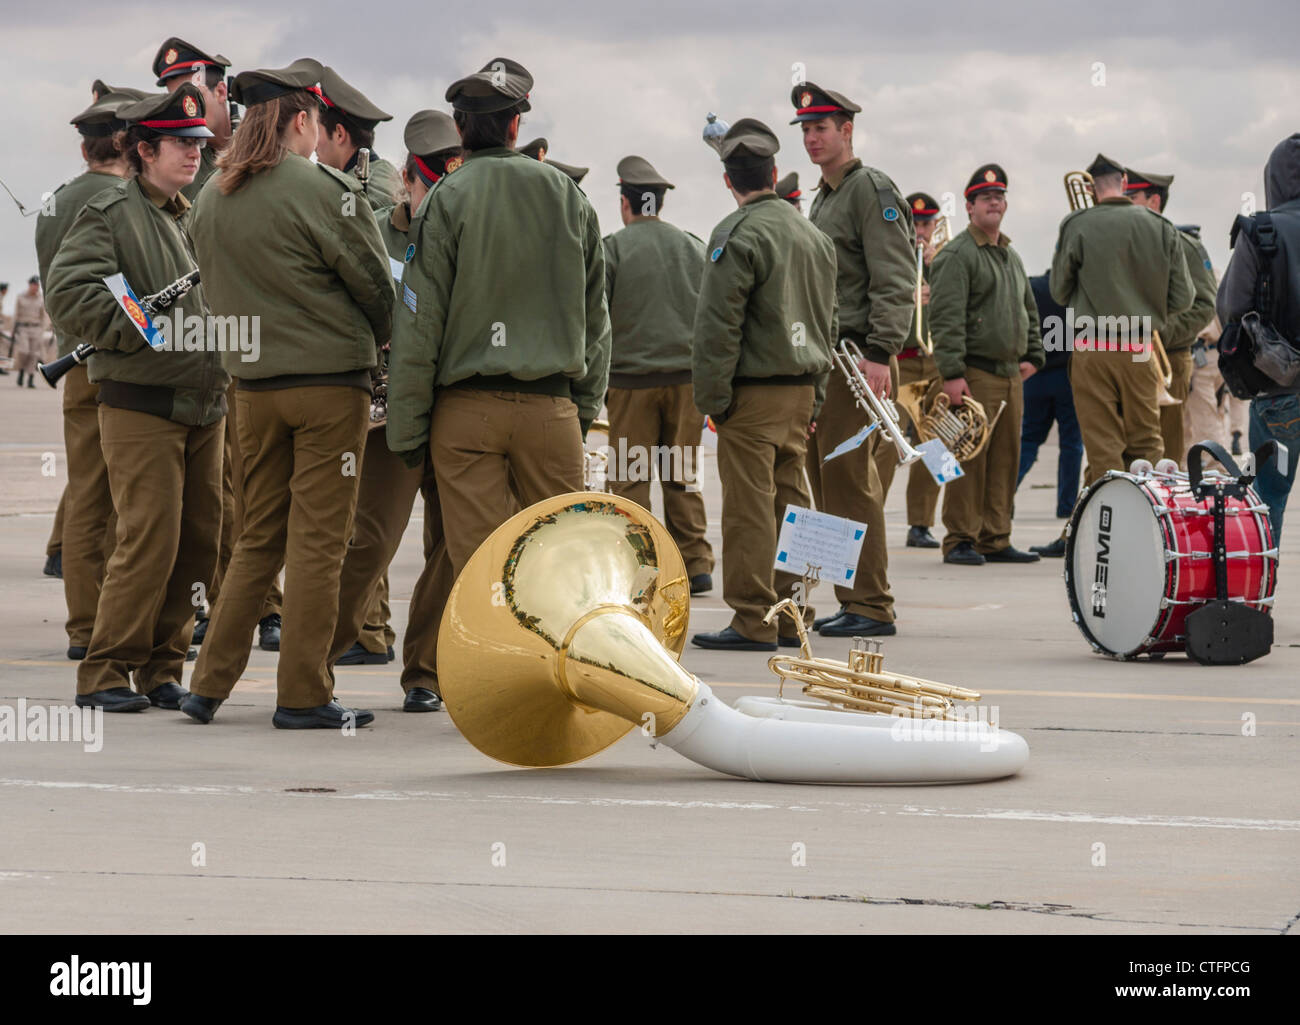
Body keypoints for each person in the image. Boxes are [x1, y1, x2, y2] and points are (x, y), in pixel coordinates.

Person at [182, 58, 393, 729]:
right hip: (329, 389)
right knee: (320, 542)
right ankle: (303, 691)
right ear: (301, 119)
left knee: (255, 540)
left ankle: (208, 683)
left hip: (251, 389)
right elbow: (371, 283)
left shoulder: (210, 197)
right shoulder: (321, 189)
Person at [385, 57, 609, 588]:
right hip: (551, 410)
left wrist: (409, 432)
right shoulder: (570, 197)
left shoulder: (444, 198)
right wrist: (577, 414)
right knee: (558, 577)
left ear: (460, 129)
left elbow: (419, 321)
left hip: (467, 415)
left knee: (484, 578)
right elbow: (597, 322)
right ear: (515, 126)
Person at [44, 84, 228, 713]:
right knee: (148, 538)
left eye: (199, 143)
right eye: (181, 143)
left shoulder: (189, 213)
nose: (195, 155)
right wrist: (136, 327)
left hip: (205, 404)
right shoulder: (111, 214)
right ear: (145, 150)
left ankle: (161, 666)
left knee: (200, 541)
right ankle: (104, 671)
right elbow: (68, 291)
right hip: (141, 401)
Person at [328, 109, 463, 712]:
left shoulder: (470, 230)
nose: (436, 195)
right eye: (429, 183)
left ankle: (426, 673)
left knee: (453, 549)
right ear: (408, 178)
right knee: (368, 542)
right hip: (391, 414)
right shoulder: (378, 233)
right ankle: (313, 661)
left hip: (460, 410)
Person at [688, 119, 836, 651]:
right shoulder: (814, 236)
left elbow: (717, 327)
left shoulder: (736, 233)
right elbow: (827, 322)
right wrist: (816, 396)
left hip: (753, 394)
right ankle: (795, 613)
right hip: (801, 391)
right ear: (774, 172)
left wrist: (713, 400)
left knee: (750, 509)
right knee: (792, 506)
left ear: (729, 180)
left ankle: (753, 621)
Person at [795, 82, 915, 637]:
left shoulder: (870, 189)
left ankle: (870, 603)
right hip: (827, 360)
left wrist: (881, 351)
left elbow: (895, 275)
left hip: (855, 358)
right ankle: (853, 596)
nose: (812, 138)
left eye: (821, 128)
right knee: (829, 482)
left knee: (850, 480)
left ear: (847, 130)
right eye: (806, 129)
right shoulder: (825, 197)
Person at [35, 86, 141, 657]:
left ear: (85, 150)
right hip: (125, 367)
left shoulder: (54, 203)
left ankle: (83, 627)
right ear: (131, 144)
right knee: (137, 508)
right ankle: (122, 627)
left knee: (86, 497)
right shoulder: (129, 204)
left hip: (75, 364)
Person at [602, 154, 714, 593]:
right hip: (687, 383)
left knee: (630, 478)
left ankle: (638, 568)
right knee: (683, 475)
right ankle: (697, 563)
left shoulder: (613, 248)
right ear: (659, 204)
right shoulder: (693, 246)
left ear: (625, 204)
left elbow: (599, 318)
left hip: (632, 383)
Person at [1050, 154, 1193, 486]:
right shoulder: (1160, 226)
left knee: (1104, 450)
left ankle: (1108, 529)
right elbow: (1183, 299)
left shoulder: (1077, 223)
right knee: (1147, 444)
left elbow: (1059, 291)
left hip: (1092, 348)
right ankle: (1153, 526)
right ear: (1125, 184)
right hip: (1140, 347)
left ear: (1092, 187)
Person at [929, 163, 1044, 564]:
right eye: (985, 198)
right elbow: (945, 318)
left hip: (1011, 375)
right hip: (973, 373)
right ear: (970, 206)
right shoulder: (958, 255)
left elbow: (1027, 309)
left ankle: (995, 538)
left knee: (1004, 460)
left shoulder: (1009, 256)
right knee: (965, 459)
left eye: (999, 197)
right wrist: (952, 373)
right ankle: (960, 538)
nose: (994, 202)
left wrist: (1033, 355)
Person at [1216, 133, 1300, 540]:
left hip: (1280, 389)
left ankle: (1259, 597)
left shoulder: (1261, 230)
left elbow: (1231, 308)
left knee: (1267, 498)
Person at [1124, 168, 1218, 467]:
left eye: (1131, 197)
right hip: (1124, 355)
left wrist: (1157, 333)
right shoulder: (1122, 243)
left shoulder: (1183, 244)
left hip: (1168, 357)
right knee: (1125, 447)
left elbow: (1204, 305)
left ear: (1153, 201)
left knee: (1167, 449)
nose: (1122, 202)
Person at [875, 190, 943, 549]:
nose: (920, 230)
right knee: (890, 445)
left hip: (933, 360)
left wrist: (936, 272)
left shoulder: (944, 260)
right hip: (900, 361)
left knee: (934, 444)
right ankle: (874, 516)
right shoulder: (894, 258)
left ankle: (921, 523)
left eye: (926, 223)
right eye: (915, 223)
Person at [1019, 269, 1084, 558]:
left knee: (1028, 440)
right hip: (1069, 374)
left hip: (1036, 374)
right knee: (1071, 443)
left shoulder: (1034, 286)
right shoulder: (1077, 290)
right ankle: (1066, 504)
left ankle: (1005, 496)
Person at [150, 37, 232, 201]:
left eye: (194, 97)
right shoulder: (174, 162)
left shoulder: (262, 145)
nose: (186, 110)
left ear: (221, 92)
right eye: (175, 100)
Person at [311, 66, 400, 209]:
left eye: (317, 130)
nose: (314, 143)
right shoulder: (387, 173)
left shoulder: (350, 191)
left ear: (339, 134)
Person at [12, 276, 51, 388]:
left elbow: (44, 316)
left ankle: (30, 378)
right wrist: (14, 330)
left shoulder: (40, 299)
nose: (35, 287)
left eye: (37, 285)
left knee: (34, 354)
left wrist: (43, 329)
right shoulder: (21, 297)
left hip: (36, 329)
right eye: (33, 284)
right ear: (29, 285)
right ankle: (21, 370)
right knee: (24, 351)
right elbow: (16, 314)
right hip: (23, 328)